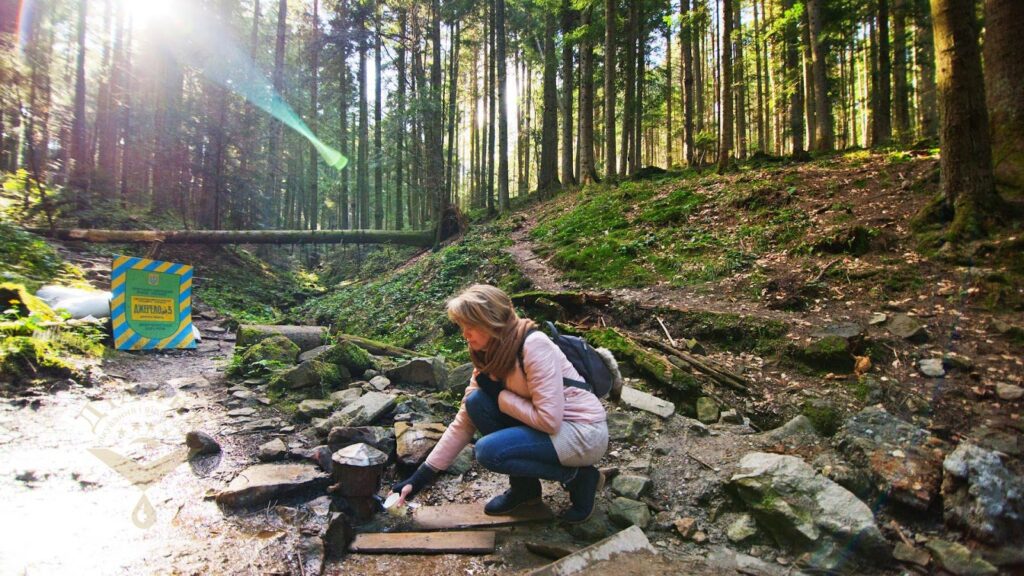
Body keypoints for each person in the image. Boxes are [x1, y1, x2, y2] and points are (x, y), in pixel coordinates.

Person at [391, 284, 609, 523]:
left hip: (582, 433)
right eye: (462, 326)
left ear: (492, 322)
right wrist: (420, 477)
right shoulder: (489, 354)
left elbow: (550, 420)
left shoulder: (534, 345)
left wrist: (501, 397)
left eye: (471, 326)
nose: (465, 334)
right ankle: (525, 491)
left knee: (489, 451)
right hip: (549, 430)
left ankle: (578, 477)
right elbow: (464, 422)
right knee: (476, 403)